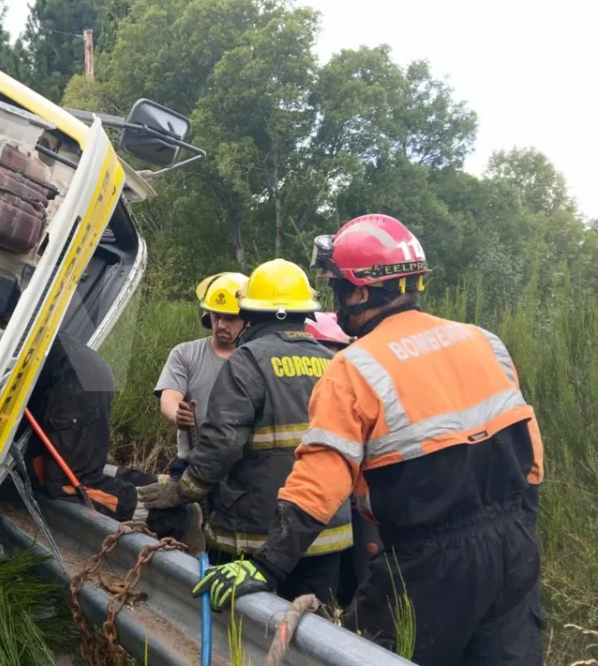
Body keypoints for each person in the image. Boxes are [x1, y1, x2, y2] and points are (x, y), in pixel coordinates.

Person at [193, 214, 544, 666]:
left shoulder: (355, 366)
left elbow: (320, 480)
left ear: (360, 291)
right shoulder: (484, 341)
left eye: (338, 288)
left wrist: (266, 564)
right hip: (516, 548)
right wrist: (517, 536)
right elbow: (533, 457)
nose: (335, 305)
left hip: (427, 562)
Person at [138, 260, 352, 606]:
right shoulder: (333, 362)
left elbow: (222, 443)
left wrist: (185, 490)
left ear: (250, 314)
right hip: (324, 533)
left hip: (253, 535)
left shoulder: (247, 360)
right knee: (308, 634)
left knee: (239, 631)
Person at [26, 332, 194, 539]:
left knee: (71, 481)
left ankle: (173, 518)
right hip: (80, 368)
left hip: (70, 380)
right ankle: (159, 485)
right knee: (59, 467)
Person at [306, 312, 383, 608]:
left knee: (369, 584)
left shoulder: (359, 384)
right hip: (326, 514)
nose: (323, 357)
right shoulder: (312, 393)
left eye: (329, 348)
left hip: (362, 508)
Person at [155, 272, 248, 480]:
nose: (221, 324)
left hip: (240, 469)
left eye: (230, 318)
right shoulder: (184, 353)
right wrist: (177, 415)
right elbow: (169, 399)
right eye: (216, 316)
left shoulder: (253, 359)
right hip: (192, 464)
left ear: (247, 320)